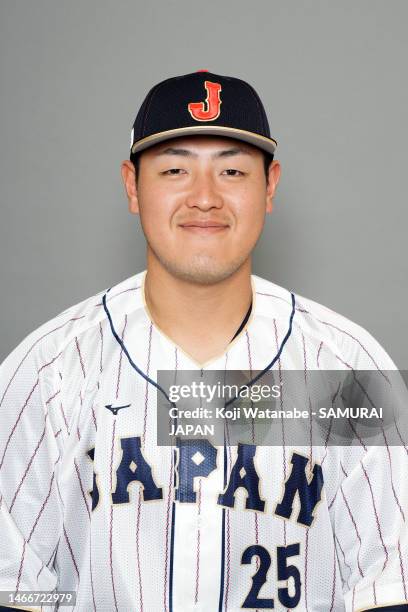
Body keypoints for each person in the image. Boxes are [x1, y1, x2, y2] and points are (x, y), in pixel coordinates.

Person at [0, 70, 407, 612]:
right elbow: (15, 587)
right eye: (174, 169)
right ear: (131, 186)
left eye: (232, 170)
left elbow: (388, 585)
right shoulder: (47, 371)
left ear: (270, 187)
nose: (205, 198)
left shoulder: (349, 369)